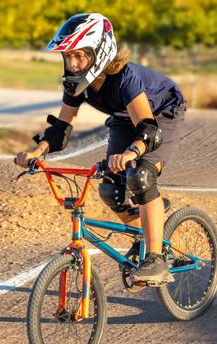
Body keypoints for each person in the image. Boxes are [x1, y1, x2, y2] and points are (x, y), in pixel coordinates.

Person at [14, 13, 186, 284]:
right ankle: (145, 227)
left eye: (79, 56)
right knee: (109, 188)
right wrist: (39, 151)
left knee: (140, 176)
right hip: (122, 118)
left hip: (161, 113)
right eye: (68, 56)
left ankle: (156, 261)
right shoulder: (77, 83)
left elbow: (149, 130)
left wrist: (131, 153)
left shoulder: (124, 78)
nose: (72, 63)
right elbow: (61, 128)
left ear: (100, 52)